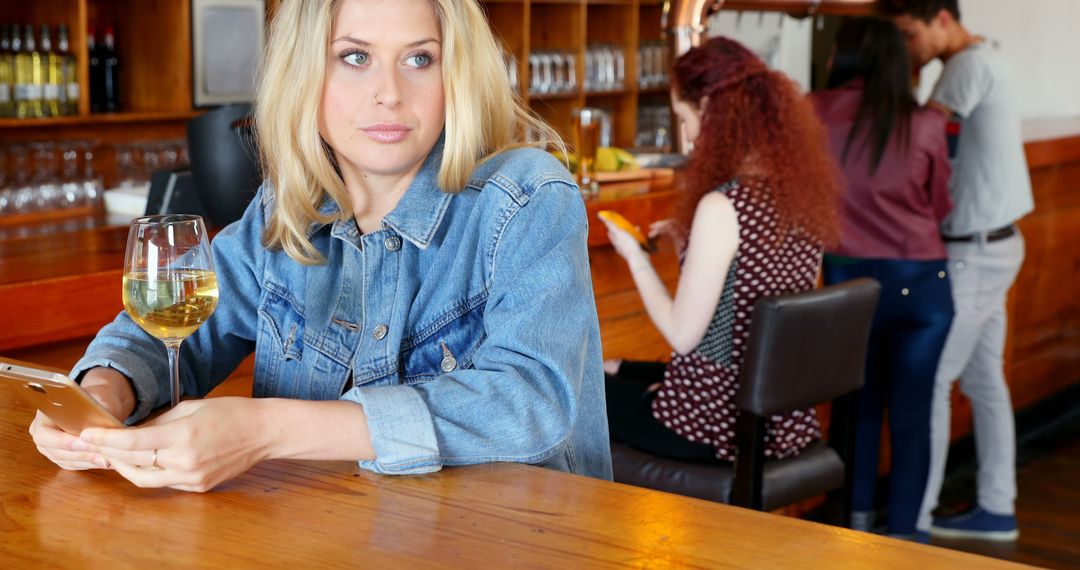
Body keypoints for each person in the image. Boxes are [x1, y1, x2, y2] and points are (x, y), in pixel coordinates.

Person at [28, 0, 612, 491]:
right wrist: (102, 393)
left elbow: (532, 402)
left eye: (419, 58)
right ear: (305, 72)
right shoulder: (289, 206)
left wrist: (265, 430)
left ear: (455, 72)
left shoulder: (527, 196)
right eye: (354, 57)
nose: (389, 93)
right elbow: (169, 328)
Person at [601, 37, 841, 464]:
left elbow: (681, 335)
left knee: (576, 386)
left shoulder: (722, 207)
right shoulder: (801, 197)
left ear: (710, 110)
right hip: (775, 413)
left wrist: (635, 256)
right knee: (616, 367)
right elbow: (748, 285)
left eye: (685, 118)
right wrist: (687, 238)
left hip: (713, 425)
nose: (688, 136)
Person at [878, 0, 1034, 541]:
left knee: (935, 380)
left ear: (941, 18)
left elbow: (922, 138)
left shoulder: (965, 66)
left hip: (974, 250)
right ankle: (996, 508)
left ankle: (913, 523)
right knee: (985, 379)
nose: (906, 47)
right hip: (1000, 241)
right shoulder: (987, 55)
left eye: (908, 34)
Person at [811, 16, 953, 541]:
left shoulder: (814, 113)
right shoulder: (927, 124)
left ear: (841, 58)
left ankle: (853, 529)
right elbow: (939, 206)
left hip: (849, 284)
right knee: (913, 418)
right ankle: (907, 541)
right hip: (922, 285)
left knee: (857, 413)